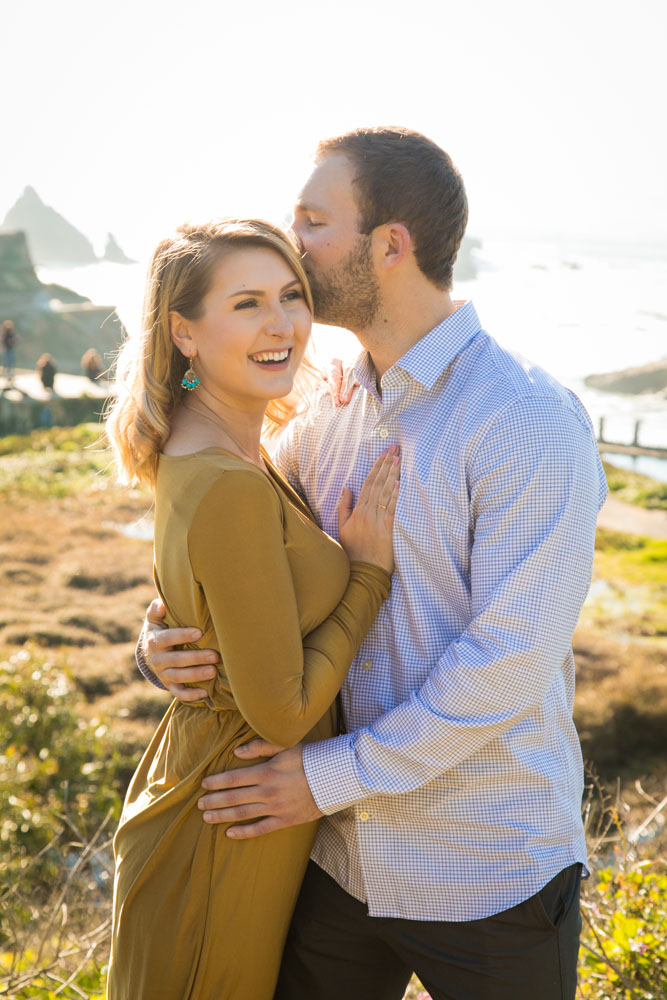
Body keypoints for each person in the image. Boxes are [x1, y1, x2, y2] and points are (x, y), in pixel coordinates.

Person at [138, 127, 608, 1000]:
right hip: (335, 864)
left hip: (484, 869)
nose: (293, 240)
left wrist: (323, 778)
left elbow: (507, 660)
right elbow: (241, 554)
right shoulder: (322, 407)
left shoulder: (526, 420)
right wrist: (160, 637)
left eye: (313, 221)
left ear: (389, 245)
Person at [103, 218, 400, 1000]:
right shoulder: (229, 477)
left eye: (292, 296)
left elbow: (209, 600)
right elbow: (284, 710)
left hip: (221, 797)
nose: (281, 325)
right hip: (225, 821)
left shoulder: (217, 443)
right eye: (246, 304)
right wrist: (367, 573)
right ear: (184, 333)